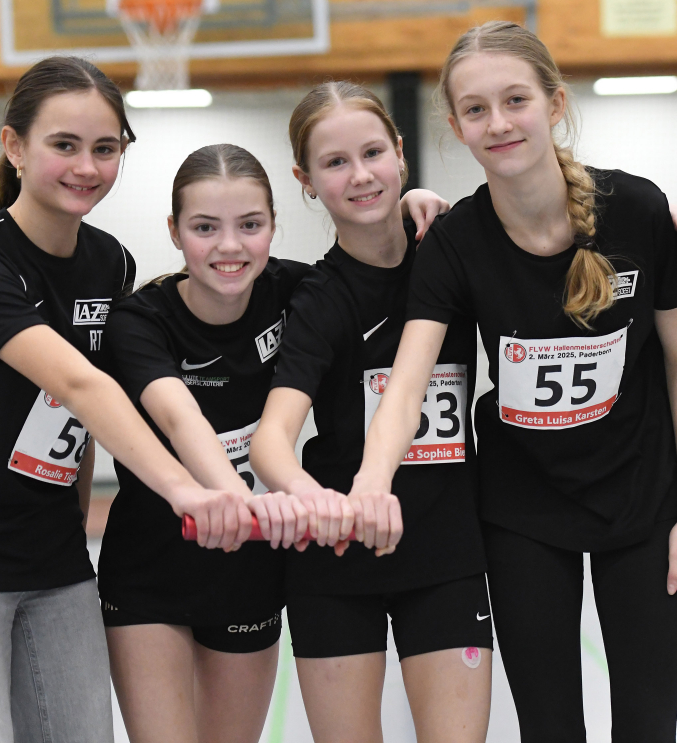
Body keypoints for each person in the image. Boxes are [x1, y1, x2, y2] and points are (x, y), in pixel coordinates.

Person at [353, 21, 677, 742]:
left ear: (554, 103)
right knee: (549, 727)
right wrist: (371, 481)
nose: (498, 123)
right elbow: (408, 384)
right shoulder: (455, 243)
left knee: (649, 727)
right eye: (476, 109)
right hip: (522, 512)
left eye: (515, 100)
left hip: (643, 502)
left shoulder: (638, 211)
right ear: (456, 125)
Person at [0, 57, 252, 743]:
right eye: (64, 145)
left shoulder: (110, 262)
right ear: (15, 147)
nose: (87, 166)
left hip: (54, 558)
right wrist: (187, 489)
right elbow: (79, 384)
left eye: (105, 148)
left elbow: (81, 421)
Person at [97, 141, 451, 743]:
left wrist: (406, 205)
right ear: (174, 231)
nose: (229, 246)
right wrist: (235, 497)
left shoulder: (297, 292)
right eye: (204, 228)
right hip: (151, 571)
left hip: (251, 571)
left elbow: (374, 270)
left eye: (250, 225)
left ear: (273, 226)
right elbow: (182, 421)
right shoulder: (139, 320)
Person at [250, 82, 495, 743]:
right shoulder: (318, 300)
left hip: (445, 554)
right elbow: (271, 439)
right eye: (335, 162)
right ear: (306, 181)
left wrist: (665, 221)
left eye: (372, 153)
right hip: (336, 561)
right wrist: (313, 497)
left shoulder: (451, 253)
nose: (360, 175)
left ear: (401, 153)